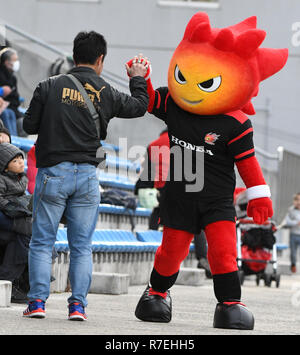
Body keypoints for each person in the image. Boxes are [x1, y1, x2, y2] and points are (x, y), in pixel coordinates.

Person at [129, 12, 287, 330]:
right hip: (179, 195)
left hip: (217, 199)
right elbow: (146, 101)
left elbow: (248, 163)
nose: (189, 89)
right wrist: (139, 77)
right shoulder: (173, 103)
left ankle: (229, 303)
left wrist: (258, 195)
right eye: (184, 77)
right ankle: (156, 293)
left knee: (224, 252)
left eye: (206, 82)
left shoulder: (236, 123)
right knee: (170, 252)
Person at [22, 31, 149, 321]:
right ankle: (77, 307)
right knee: (81, 247)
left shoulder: (48, 86)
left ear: (74, 54)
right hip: (88, 177)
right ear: (100, 59)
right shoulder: (108, 92)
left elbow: (29, 124)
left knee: (42, 241)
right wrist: (137, 77)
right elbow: (140, 106)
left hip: (53, 172)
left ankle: (38, 303)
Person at [0, 143, 32, 303]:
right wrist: (10, 207)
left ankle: (18, 283)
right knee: (26, 234)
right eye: (15, 161)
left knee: (28, 235)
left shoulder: (22, 178)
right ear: (5, 168)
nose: (20, 162)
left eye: (21, 158)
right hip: (7, 215)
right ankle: (9, 279)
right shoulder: (2, 179)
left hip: (17, 215)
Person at [0, 47, 27, 137]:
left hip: (13, 107)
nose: (17, 63)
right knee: (8, 113)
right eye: (15, 60)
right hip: (4, 109)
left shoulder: (13, 78)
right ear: (7, 63)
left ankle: (20, 145)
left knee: (27, 117)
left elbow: (15, 96)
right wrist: (1, 91)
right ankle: (12, 142)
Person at [285, 193, 300, 273]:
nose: (298, 202)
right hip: (293, 235)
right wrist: (296, 222)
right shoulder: (291, 210)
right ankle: (293, 265)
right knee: (293, 253)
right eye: (297, 200)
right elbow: (287, 221)